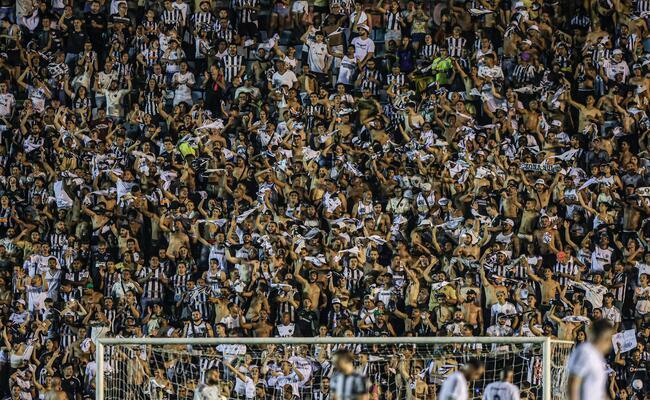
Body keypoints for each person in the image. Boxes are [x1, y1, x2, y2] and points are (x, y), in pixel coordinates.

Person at [567, 319, 615, 400]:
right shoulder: (586, 352)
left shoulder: (598, 357)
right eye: (610, 340)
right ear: (605, 338)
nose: (610, 345)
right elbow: (573, 383)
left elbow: (597, 391)